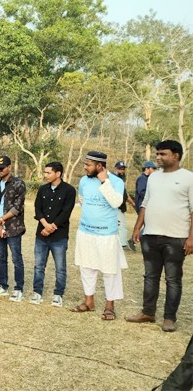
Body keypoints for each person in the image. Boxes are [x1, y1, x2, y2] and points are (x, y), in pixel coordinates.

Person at [127, 140, 193, 332]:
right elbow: (145, 204)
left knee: (173, 279)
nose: (158, 157)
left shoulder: (189, 178)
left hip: (176, 238)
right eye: (157, 154)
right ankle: (148, 312)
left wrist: (191, 238)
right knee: (150, 276)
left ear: (176, 155)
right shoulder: (153, 177)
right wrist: (137, 228)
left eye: (163, 154)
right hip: (151, 236)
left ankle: (169, 318)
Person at [71, 151, 127, 321]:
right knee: (86, 267)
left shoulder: (116, 182)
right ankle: (89, 302)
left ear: (99, 166)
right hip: (86, 232)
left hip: (106, 234)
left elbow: (116, 202)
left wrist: (104, 182)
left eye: (88, 165)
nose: (85, 168)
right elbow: (82, 201)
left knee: (110, 270)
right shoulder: (83, 181)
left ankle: (110, 306)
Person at [30, 162, 76, 307]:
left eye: (48, 172)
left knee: (60, 267)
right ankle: (37, 292)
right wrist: (44, 225)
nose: (45, 175)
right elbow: (38, 208)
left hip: (59, 236)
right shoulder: (43, 189)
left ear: (58, 173)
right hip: (41, 234)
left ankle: (58, 294)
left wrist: (52, 227)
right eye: (45, 172)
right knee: (38, 266)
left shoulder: (69, 190)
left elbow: (66, 212)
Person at [0, 156, 26, 302]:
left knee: (17, 258)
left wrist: (1, 221)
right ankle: (2, 285)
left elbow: (17, 208)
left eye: (1, 168)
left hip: (13, 227)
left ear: (9, 167)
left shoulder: (18, 184)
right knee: (1, 258)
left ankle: (18, 288)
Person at [114, 161, 137, 251]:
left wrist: (133, 203)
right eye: (120, 168)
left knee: (119, 225)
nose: (122, 170)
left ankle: (120, 243)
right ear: (115, 168)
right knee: (122, 225)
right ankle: (122, 244)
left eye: (123, 169)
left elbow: (125, 193)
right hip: (116, 206)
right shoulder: (114, 179)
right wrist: (132, 203)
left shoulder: (121, 179)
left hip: (121, 205)